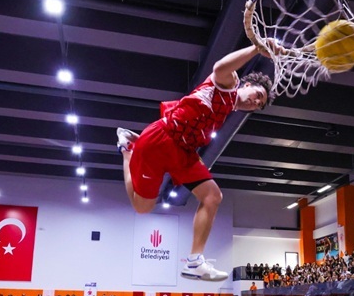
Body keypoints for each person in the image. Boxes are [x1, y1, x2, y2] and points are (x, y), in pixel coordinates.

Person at [117, 45, 273, 282]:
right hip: (160, 140)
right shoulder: (229, 83)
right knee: (142, 208)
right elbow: (219, 67)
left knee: (213, 196)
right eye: (258, 95)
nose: (255, 102)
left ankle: (194, 262)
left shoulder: (229, 107)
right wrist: (256, 49)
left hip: (183, 151)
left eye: (259, 105)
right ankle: (128, 150)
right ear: (247, 84)